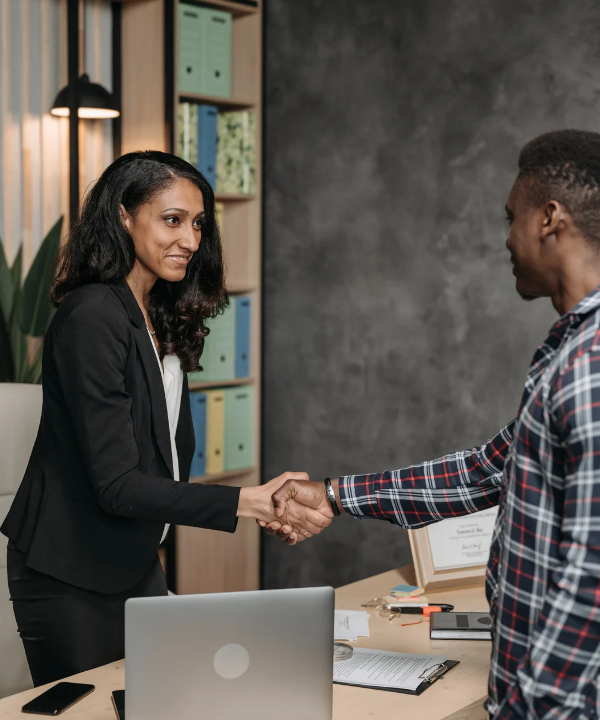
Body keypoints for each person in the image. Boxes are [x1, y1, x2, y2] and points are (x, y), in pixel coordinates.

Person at [267, 130, 600, 720]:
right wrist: (334, 495)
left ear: (550, 218)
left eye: (512, 216)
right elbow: (483, 472)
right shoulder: (570, 352)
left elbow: (591, 581)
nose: (506, 237)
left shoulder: (590, 367)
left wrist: (530, 706)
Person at [1, 150, 328, 687]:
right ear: (124, 216)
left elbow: (163, 461)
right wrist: (253, 502)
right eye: (171, 220)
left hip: (132, 561)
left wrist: (265, 509)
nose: (191, 239)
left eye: (198, 224)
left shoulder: (156, 315)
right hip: (68, 572)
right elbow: (117, 485)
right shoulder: (91, 316)